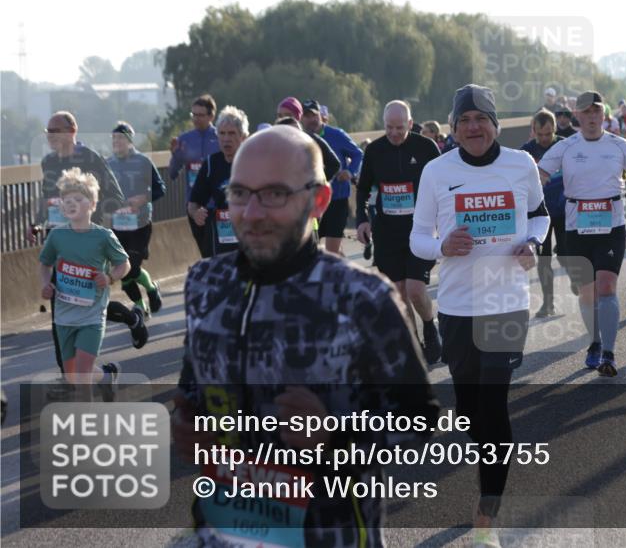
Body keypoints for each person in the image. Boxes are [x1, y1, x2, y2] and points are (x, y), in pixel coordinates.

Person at [173, 125, 437, 548]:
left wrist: (335, 437)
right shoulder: (205, 283)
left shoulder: (363, 297)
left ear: (319, 201)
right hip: (222, 532)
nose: (251, 212)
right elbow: (193, 390)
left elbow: (419, 420)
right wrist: (186, 423)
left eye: (274, 194)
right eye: (239, 193)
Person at [410, 84, 548, 545]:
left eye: (481, 119)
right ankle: (490, 465)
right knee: (470, 411)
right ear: (453, 129)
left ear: (495, 125)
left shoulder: (521, 164)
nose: (474, 128)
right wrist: (441, 246)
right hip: (456, 306)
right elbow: (417, 238)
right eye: (465, 121)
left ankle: (487, 513)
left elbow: (540, 214)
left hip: (506, 302)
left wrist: (533, 243)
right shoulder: (436, 171)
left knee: (493, 404)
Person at [537, 90, 626, 377]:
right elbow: (539, 174)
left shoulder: (619, 144)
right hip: (576, 228)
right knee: (587, 292)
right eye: (586, 112)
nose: (591, 117)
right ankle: (594, 342)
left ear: (604, 114)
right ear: (577, 115)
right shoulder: (565, 147)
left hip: (611, 226)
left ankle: (609, 354)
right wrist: (532, 192)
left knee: (606, 286)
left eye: (596, 111)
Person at [32, 112, 145, 382]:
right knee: (68, 302)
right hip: (60, 242)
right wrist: (36, 222)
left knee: (88, 299)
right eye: (47, 131)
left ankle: (130, 319)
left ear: (72, 130)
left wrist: (87, 213)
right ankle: (93, 373)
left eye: (55, 130)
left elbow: (116, 196)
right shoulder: (48, 162)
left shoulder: (91, 159)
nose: (50, 136)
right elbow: (47, 198)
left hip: (89, 242)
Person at [356, 100, 443, 364]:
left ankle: (429, 326)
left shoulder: (426, 148)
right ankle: (413, 344)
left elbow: (444, 184)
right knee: (398, 293)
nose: (394, 133)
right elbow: (363, 188)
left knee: (415, 290)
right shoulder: (374, 150)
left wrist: (444, 222)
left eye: (399, 128)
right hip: (387, 233)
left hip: (420, 230)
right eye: (389, 127)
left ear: (410, 123)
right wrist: (362, 220)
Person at [38, 168, 130, 401]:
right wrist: (46, 284)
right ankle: (106, 376)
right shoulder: (56, 236)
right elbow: (45, 264)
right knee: (72, 374)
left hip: (92, 315)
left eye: (78, 199)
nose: (71, 203)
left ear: (93, 204)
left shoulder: (104, 236)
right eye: (67, 200)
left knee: (81, 374)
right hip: (64, 316)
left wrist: (109, 278)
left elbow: (124, 264)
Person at [107, 121, 166, 320]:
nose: (117, 142)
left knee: (132, 266)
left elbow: (160, 188)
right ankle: (140, 307)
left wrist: (143, 199)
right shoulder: (108, 164)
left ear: (130, 140)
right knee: (122, 268)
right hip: (117, 224)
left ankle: (151, 288)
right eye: (114, 138)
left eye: (121, 138)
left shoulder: (143, 161)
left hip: (140, 224)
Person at [521, 109, 568, 318]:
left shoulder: (565, 146)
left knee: (567, 254)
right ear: (533, 131)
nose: (544, 139)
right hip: (540, 213)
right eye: (540, 134)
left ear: (554, 129)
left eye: (548, 134)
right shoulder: (526, 151)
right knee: (544, 259)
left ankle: (576, 281)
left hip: (565, 209)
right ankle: (548, 303)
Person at [301, 99, 362, 255]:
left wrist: (350, 171)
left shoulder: (336, 135)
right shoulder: (300, 139)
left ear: (320, 116)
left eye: (314, 115)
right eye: (307, 116)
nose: (311, 119)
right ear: (301, 118)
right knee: (310, 249)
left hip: (337, 200)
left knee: (332, 250)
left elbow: (357, 154)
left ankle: (336, 266)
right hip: (312, 202)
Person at [187, 106, 249, 257]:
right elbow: (193, 203)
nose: (226, 138)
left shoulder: (254, 162)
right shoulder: (211, 164)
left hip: (250, 237)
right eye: (222, 133)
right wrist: (196, 214)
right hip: (223, 241)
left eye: (232, 133)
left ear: (243, 137)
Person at [168, 95, 220, 258]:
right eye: (193, 115)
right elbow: (172, 173)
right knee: (205, 251)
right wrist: (175, 155)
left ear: (211, 116)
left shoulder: (221, 138)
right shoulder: (184, 140)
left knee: (216, 249)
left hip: (217, 204)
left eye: (200, 115)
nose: (196, 119)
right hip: (194, 204)